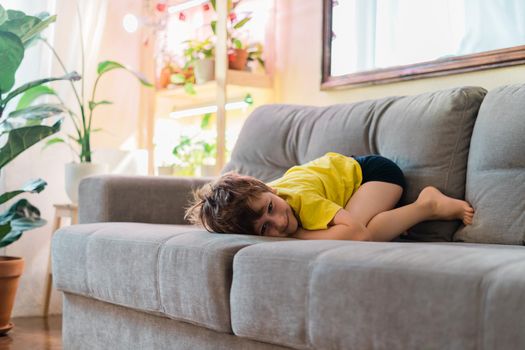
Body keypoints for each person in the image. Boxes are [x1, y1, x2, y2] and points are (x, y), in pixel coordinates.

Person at [185, 153, 474, 241]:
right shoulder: (261, 198)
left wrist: (298, 238)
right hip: (350, 187)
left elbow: (357, 234)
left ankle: (428, 204)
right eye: (264, 229)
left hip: (376, 173)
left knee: (365, 236)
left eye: (271, 208)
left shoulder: (300, 200)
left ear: (270, 190)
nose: (279, 221)